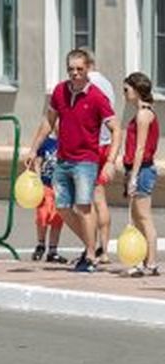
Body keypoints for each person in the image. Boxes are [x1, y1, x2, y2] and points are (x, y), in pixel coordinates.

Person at [24, 48, 122, 273]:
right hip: (63, 159)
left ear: (88, 69)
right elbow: (48, 122)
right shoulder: (59, 91)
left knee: (84, 206)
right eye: (71, 69)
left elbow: (117, 129)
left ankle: (89, 255)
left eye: (79, 69)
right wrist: (33, 149)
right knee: (62, 207)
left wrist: (110, 161)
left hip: (86, 161)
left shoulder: (97, 97)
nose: (75, 73)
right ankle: (91, 246)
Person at [122, 72, 159, 277]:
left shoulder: (143, 114)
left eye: (127, 90)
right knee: (137, 217)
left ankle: (151, 262)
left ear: (136, 90)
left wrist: (134, 176)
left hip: (142, 169)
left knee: (144, 218)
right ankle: (144, 260)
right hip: (139, 168)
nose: (125, 94)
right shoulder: (143, 113)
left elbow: (140, 148)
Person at [81, 48, 116, 264]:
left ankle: (91, 248)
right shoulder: (107, 83)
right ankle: (103, 248)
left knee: (88, 202)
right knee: (100, 199)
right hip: (106, 143)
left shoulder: (88, 83)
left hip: (91, 146)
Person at [32, 133, 67, 263]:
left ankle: (53, 250)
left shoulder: (68, 142)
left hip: (60, 187)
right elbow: (38, 162)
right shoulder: (47, 142)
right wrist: (37, 179)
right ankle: (40, 244)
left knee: (57, 218)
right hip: (45, 185)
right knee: (42, 216)